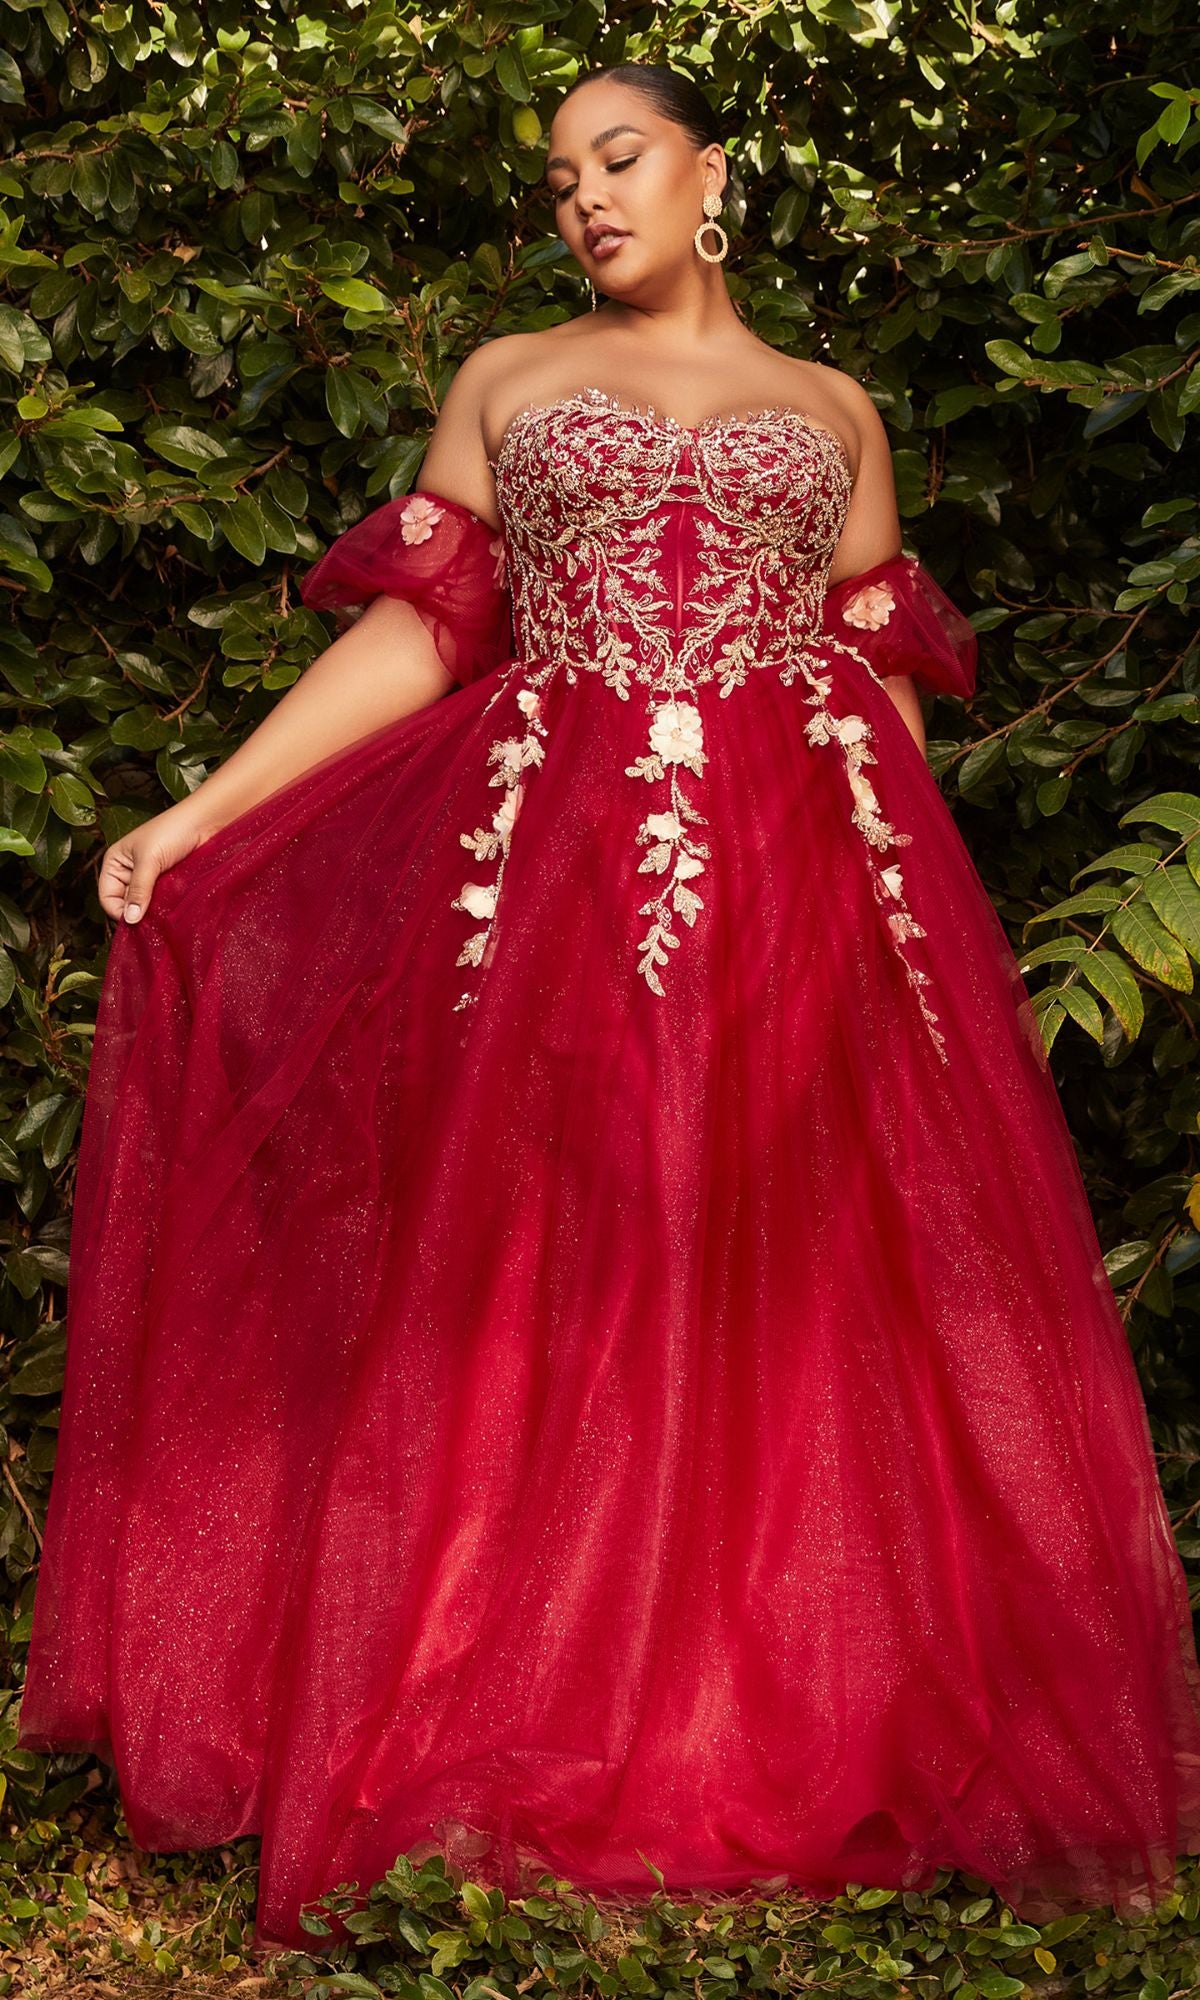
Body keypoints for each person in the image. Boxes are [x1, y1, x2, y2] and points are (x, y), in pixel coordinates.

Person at [17, 59, 1200, 1954]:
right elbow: (415, 638)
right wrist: (202, 813)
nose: (585, 196)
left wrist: (927, 957)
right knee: (543, 1262)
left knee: (787, 1273)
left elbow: (881, 695)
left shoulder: (835, 410)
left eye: (620, 155)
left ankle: (773, 1717)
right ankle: (498, 1705)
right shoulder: (507, 379)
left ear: (711, 172)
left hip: (808, 895)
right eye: (561, 174)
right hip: (557, 884)